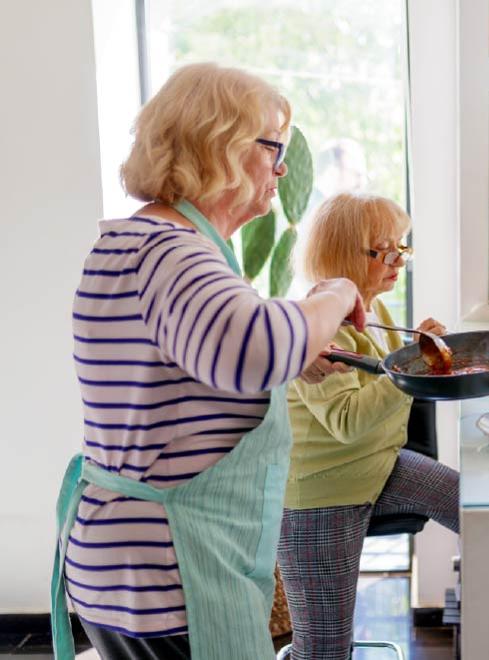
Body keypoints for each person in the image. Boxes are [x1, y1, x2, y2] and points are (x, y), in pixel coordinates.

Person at [51, 63, 366, 660]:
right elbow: (254, 348)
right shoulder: (171, 252)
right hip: (171, 578)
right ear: (219, 147)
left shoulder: (142, 242)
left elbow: (182, 367)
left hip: (131, 569)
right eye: (273, 145)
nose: (282, 168)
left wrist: (295, 360)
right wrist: (336, 293)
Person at [277, 193, 460, 660]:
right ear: (343, 254)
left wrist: (419, 348)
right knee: (323, 649)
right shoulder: (320, 324)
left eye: (403, 248)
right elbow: (347, 420)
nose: (399, 261)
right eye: (386, 250)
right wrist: (413, 366)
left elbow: (389, 378)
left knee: (474, 508)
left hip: (376, 466)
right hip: (323, 491)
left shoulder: (373, 309)